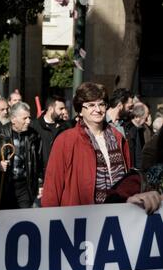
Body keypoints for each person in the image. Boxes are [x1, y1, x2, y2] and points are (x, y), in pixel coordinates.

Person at [42, 82, 161, 214]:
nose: (98, 109)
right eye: (91, 105)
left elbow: (127, 181)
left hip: (118, 214)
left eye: (101, 104)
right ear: (80, 110)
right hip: (78, 219)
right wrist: (50, 220)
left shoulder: (119, 138)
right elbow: (52, 188)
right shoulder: (66, 140)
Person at [0, 102, 43, 209]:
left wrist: (40, 185)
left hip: (25, 186)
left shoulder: (34, 136)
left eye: (29, 117)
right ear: (13, 119)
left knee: (23, 218)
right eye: (24, 118)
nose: (28, 121)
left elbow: (39, 162)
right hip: (5, 186)